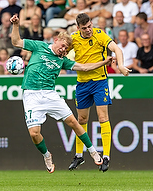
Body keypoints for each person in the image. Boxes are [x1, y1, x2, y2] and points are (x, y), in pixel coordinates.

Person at [10, 14, 110, 173]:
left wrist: (104, 62)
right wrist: (16, 25)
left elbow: (84, 67)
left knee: (74, 122)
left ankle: (92, 151)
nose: (63, 50)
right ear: (56, 40)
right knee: (34, 134)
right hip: (31, 95)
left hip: (50, 95)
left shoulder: (63, 60)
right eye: (62, 46)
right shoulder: (38, 46)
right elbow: (16, 42)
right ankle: (46, 155)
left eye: (66, 49)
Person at [68, 13, 131, 172]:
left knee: (103, 117)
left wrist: (121, 65)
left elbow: (116, 48)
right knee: (81, 119)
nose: (89, 30)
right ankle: (79, 155)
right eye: (85, 28)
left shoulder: (99, 35)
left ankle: (106, 156)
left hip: (99, 81)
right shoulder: (74, 38)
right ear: (78, 28)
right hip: (82, 83)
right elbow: (61, 51)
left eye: (90, 26)